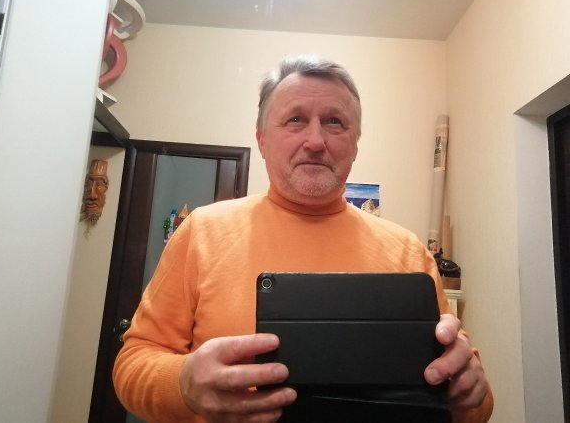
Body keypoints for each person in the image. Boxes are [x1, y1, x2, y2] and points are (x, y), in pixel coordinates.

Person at [113, 55, 493, 423]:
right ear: (262, 141)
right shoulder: (201, 232)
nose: (315, 141)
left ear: (355, 145)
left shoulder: (408, 252)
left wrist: (467, 393)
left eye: (334, 122)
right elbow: (133, 364)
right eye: (295, 119)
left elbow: (476, 405)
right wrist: (183, 383)